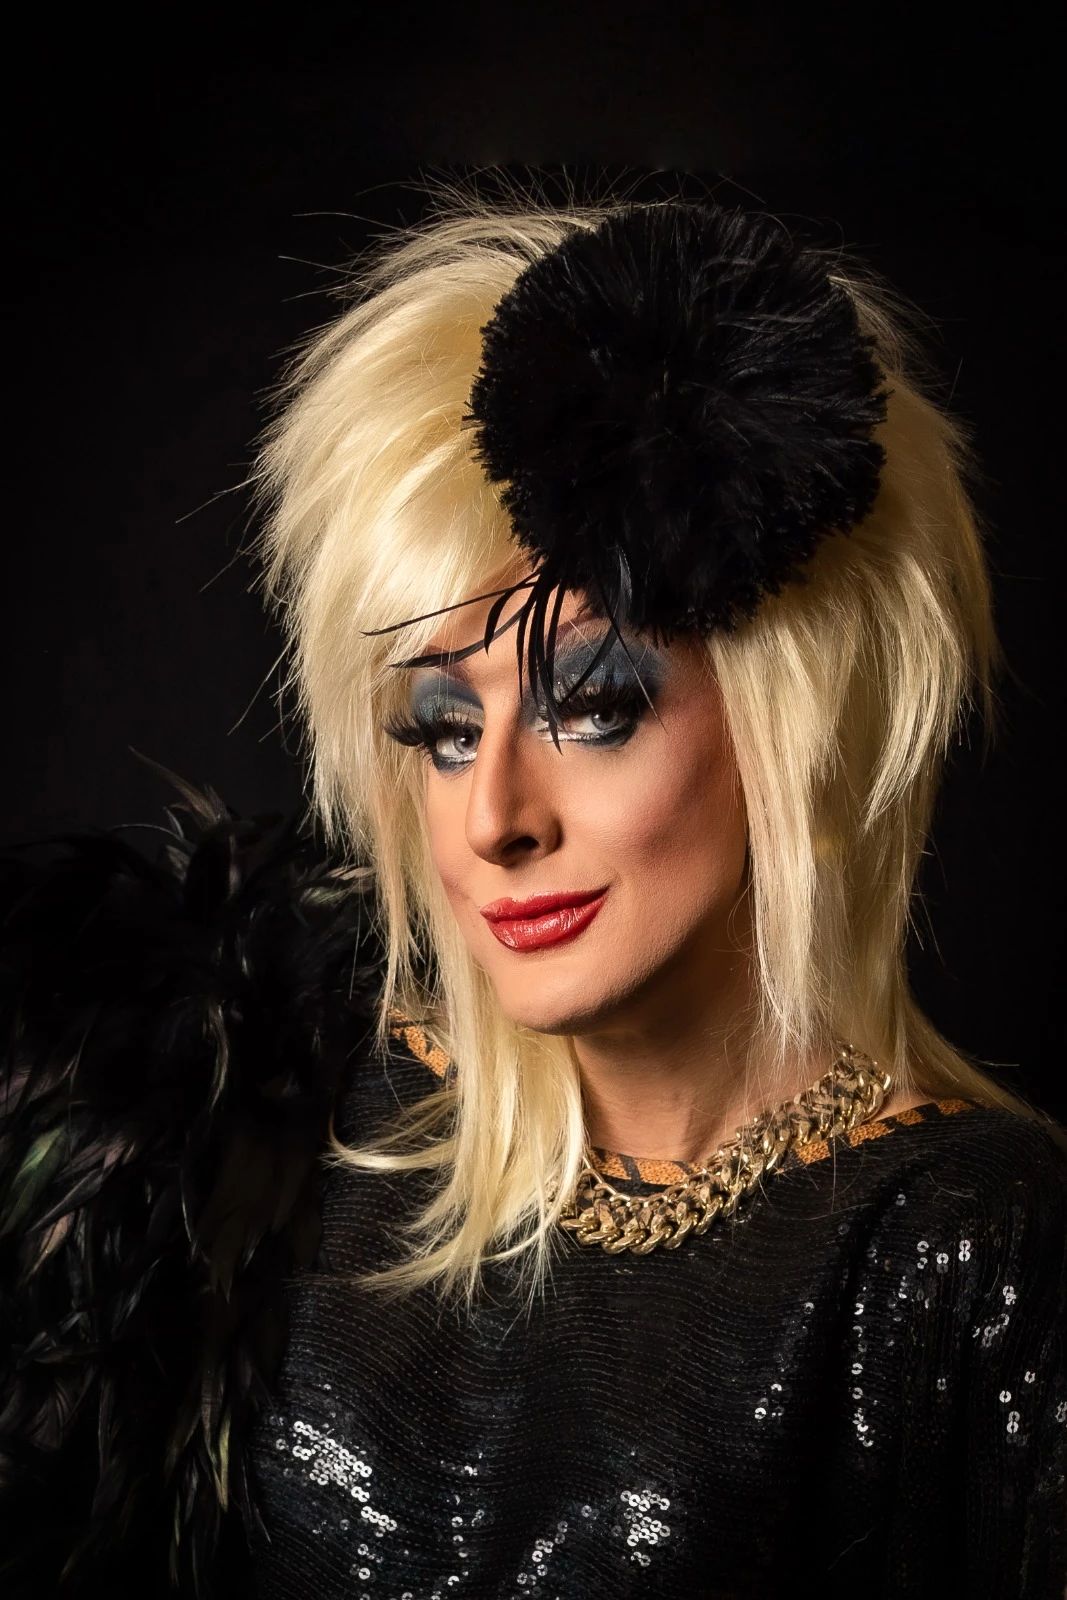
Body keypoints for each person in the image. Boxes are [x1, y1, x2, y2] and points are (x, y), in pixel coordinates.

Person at [2, 188, 1065, 1599]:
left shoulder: (959, 1244)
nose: (493, 816)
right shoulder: (289, 1102)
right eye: (444, 729)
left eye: (594, 707)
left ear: (794, 726)